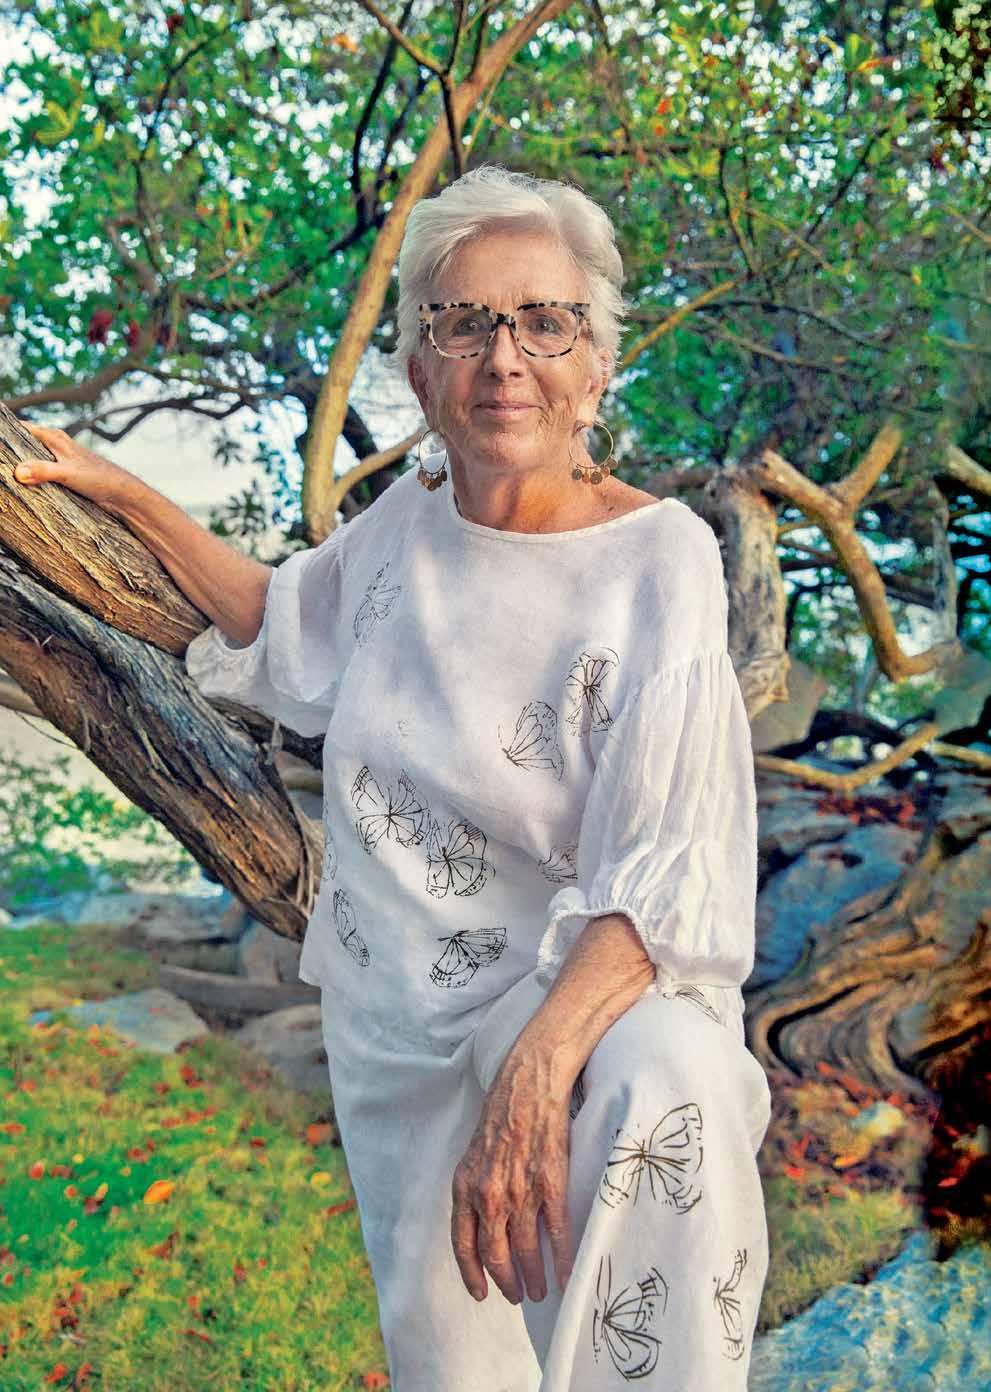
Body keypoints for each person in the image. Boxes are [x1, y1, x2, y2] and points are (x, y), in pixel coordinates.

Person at [16, 165, 772, 1391]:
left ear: (595, 369)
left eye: (544, 322)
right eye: (464, 323)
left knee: (668, 1091)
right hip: (398, 1019)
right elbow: (283, 618)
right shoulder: (408, 521)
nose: (503, 357)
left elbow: (670, 865)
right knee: (455, 1366)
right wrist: (125, 495)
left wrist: (532, 1075)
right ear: (421, 375)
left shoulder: (661, 560)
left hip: (577, 998)